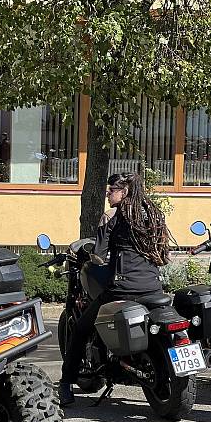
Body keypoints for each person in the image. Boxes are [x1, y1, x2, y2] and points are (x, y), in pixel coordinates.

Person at [58, 171, 171, 406]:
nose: (108, 194)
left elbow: (98, 256)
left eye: (111, 190)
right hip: (153, 287)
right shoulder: (153, 214)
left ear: (125, 192)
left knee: (79, 330)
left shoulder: (112, 216)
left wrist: (89, 255)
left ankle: (66, 384)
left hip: (123, 289)